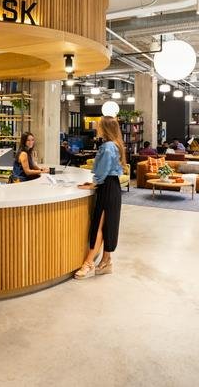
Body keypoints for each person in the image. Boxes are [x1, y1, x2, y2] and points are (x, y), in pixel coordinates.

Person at [75, 116, 125, 279]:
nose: (97, 127)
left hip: (107, 188)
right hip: (113, 187)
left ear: (105, 128)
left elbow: (103, 171)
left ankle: (88, 263)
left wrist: (93, 184)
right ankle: (105, 261)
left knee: (100, 226)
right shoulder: (116, 144)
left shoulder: (107, 146)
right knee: (108, 226)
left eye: (99, 125)